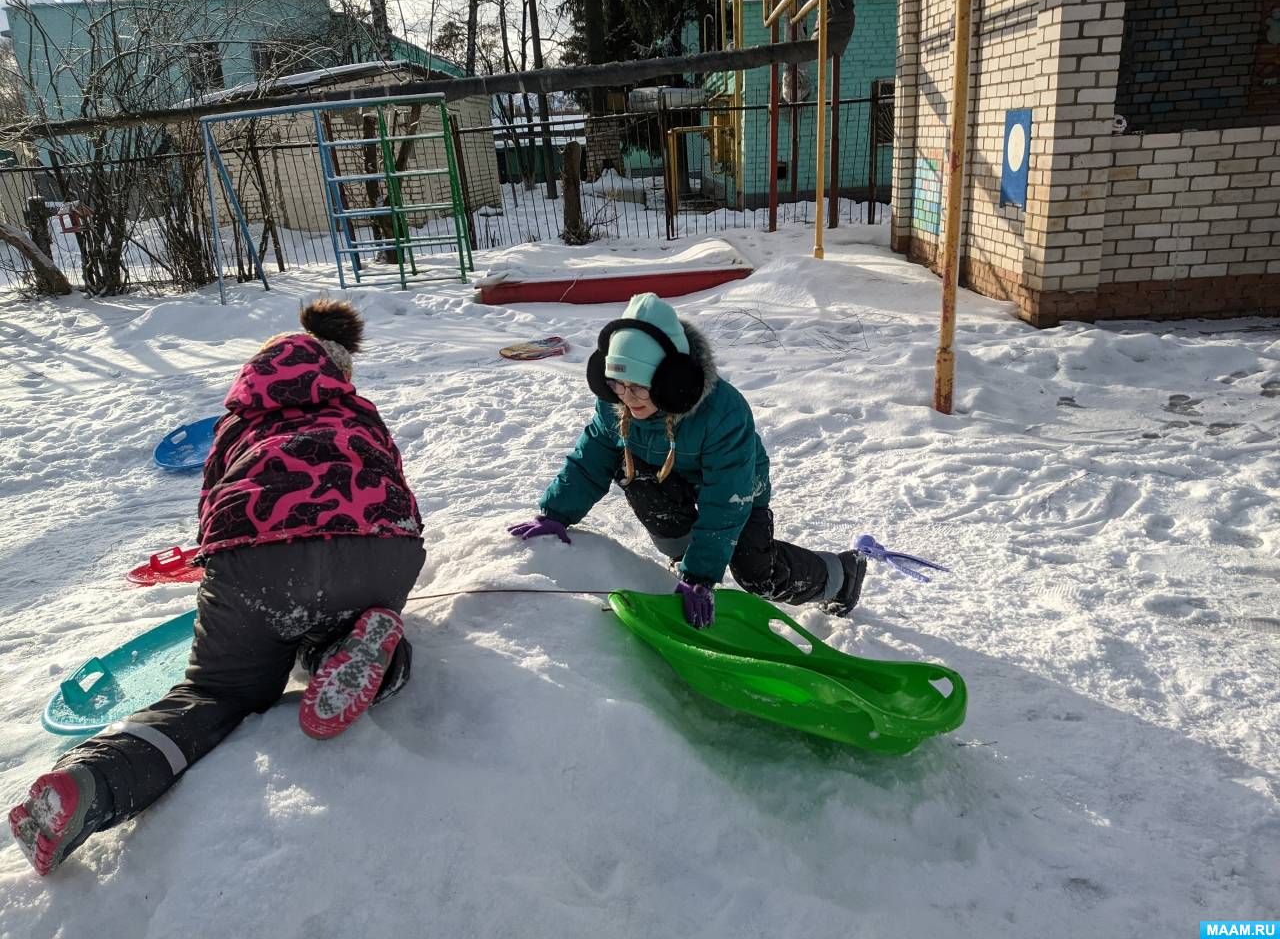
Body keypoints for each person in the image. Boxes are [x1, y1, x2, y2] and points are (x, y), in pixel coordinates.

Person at [8, 299, 425, 877]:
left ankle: (97, 782)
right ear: (337, 372)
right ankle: (357, 648)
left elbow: (214, 513)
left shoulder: (235, 423)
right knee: (348, 615)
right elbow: (394, 479)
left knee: (215, 694)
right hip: (380, 545)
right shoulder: (360, 411)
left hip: (257, 561)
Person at [508, 293, 865, 629]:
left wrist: (702, 573)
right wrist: (555, 514)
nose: (627, 397)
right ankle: (682, 560)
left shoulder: (723, 413)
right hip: (664, 472)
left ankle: (842, 575)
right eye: (618, 384)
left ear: (669, 381)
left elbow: (726, 499)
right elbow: (592, 459)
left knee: (757, 573)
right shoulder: (616, 403)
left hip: (736, 485)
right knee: (629, 469)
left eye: (638, 387)